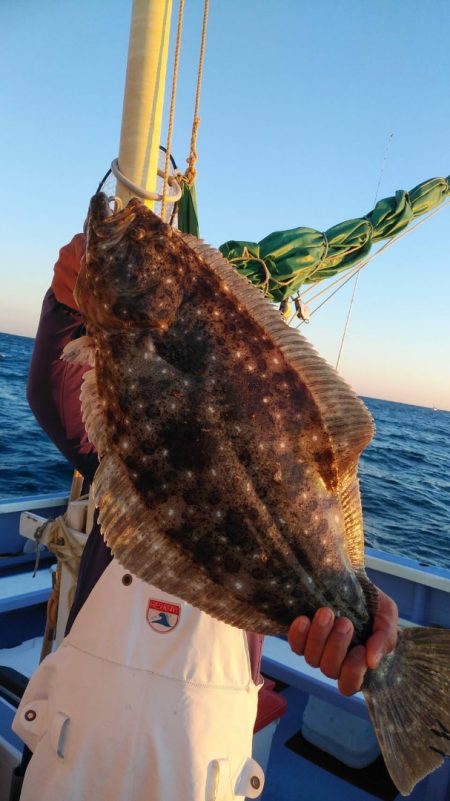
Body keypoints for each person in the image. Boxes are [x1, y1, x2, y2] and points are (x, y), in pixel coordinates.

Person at [12, 228, 398, 801]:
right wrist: (63, 301)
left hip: (202, 755)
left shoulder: (243, 423)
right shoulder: (114, 428)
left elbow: (305, 519)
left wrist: (358, 601)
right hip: (81, 737)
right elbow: (54, 393)